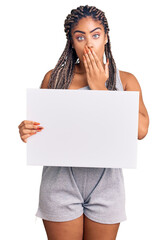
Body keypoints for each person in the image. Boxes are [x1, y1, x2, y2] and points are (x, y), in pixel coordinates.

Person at [18, 5, 149, 240]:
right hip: (60, 183)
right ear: (72, 42)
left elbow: (141, 131)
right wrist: (27, 129)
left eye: (96, 35)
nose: (89, 44)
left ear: (106, 38)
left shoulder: (126, 80)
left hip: (107, 185)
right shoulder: (54, 78)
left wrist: (100, 88)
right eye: (80, 37)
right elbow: (41, 130)